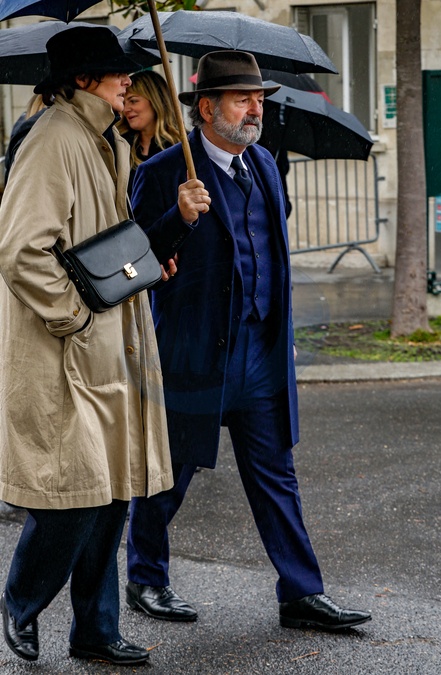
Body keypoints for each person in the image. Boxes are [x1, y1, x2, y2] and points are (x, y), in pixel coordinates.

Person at [126, 50, 372, 632]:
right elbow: (134, 261)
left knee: (275, 474)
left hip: (261, 349)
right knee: (170, 473)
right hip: (193, 353)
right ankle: (146, 578)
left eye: (259, 98)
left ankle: (301, 593)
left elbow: (273, 253)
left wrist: (283, 333)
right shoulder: (163, 172)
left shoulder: (262, 162)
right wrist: (177, 219)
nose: (256, 109)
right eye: (243, 99)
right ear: (207, 109)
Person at [0, 26, 175, 667]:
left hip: (112, 342)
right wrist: (74, 318)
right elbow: (21, 250)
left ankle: (96, 631)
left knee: (112, 491)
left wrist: (145, 264)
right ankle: (19, 602)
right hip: (68, 348)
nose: (128, 81)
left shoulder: (104, 139)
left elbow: (104, 241)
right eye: (116, 72)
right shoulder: (53, 140)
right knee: (74, 494)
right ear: (82, 80)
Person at [117, 69, 182, 194]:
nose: (126, 109)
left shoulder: (185, 145)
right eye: (124, 102)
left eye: (133, 101)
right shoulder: (119, 144)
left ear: (155, 100)